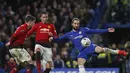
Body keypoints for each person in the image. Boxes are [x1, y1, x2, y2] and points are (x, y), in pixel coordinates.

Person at [49, 18, 128, 73]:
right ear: (72, 24)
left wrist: (107, 30)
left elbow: (96, 31)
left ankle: (119, 52)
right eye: (75, 23)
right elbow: (59, 39)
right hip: (82, 52)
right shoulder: (69, 34)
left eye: (78, 23)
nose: (77, 25)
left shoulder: (84, 29)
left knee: (102, 50)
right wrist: (53, 38)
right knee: (80, 64)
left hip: (90, 47)